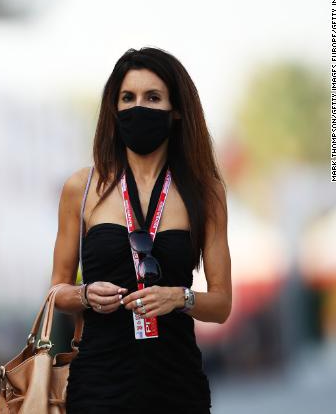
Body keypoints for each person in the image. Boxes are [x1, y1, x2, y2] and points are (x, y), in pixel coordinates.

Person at [50, 47, 231, 413]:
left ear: (175, 110)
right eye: (127, 98)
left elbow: (222, 304)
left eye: (152, 97)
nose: (138, 107)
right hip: (98, 383)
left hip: (177, 383)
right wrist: (85, 294)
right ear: (114, 111)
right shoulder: (81, 188)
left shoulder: (204, 192)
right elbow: (56, 292)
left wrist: (180, 297)